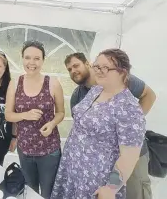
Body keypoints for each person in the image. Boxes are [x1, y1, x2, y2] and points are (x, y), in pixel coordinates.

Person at [51, 49, 146, 199]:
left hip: (95, 180)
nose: (99, 71)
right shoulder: (96, 90)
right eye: (97, 66)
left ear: (122, 71)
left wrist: (110, 188)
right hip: (73, 170)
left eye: (105, 68)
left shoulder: (129, 109)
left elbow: (129, 157)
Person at [5, 40, 65, 198]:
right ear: (22, 59)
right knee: (30, 191)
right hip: (25, 149)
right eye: (27, 58)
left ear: (43, 60)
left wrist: (52, 124)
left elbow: (61, 112)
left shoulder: (53, 84)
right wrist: (25, 115)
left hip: (49, 151)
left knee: (48, 192)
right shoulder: (15, 83)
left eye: (37, 58)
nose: (31, 63)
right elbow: (8, 114)